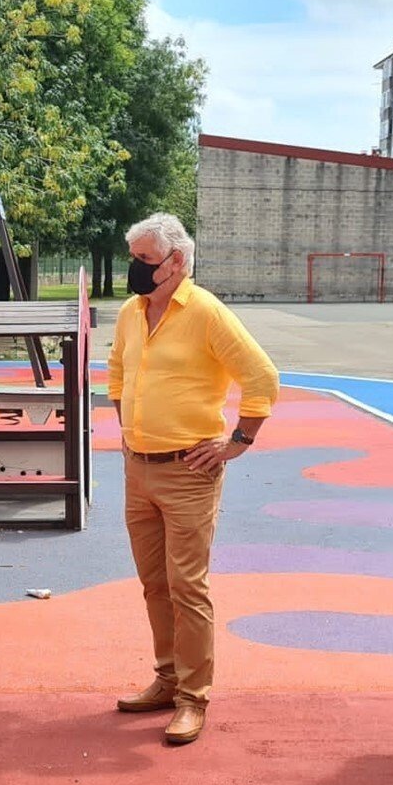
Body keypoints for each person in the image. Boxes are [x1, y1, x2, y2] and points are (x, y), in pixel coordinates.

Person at [109, 213, 280, 745]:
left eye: (144, 260)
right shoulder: (131, 313)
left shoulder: (206, 312)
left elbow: (262, 377)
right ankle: (167, 678)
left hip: (188, 471)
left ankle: (192, 697)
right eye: (133, 258)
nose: (135, 269)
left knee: (187, 586)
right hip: (138, 468)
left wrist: (239, 441)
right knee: (154, 583)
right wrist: (127, 427)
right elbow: (117, 372)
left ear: (176, 261)